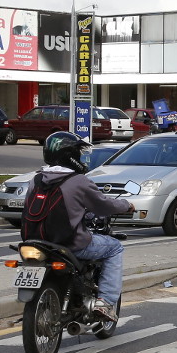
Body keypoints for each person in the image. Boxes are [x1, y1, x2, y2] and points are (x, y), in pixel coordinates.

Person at [28, 131, 135, 323]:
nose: (80, 157)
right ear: (70, 156)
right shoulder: (78, 181)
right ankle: (106, 303)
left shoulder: (35, 180)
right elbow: (103, 205)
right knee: (114, 248)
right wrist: (127, 205)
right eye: (78, 153)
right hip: (70, 243)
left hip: (36, 242)